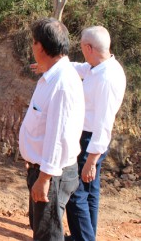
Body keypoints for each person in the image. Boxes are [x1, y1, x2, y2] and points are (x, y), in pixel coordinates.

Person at [19, 18, 85, 240]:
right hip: (44, 169)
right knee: (41, 227)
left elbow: (58, 136)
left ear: (40, 46)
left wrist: (44, 178)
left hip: (52, 174)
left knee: (48, 235)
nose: (32, 47)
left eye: (33, 42)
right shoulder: (54, 75)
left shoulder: (62, 84)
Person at [65, 26, 126, 241]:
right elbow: (81, 69)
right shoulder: (100, 67)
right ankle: (85, 235)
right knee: (90, 192)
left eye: (82, 48)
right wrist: (55, 64)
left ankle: (83, 238)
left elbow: (104, 123)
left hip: (91, 141)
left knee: (75, 191)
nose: (82, 52)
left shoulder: (107, 79)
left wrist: (92, 159)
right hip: (90, 138)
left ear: (89, 47)